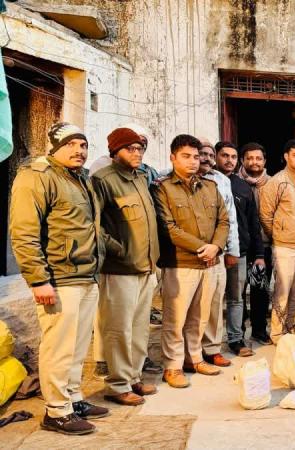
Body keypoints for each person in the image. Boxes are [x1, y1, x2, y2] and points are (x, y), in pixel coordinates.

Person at [10, 122, 110, 435]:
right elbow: (24, 233)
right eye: (70, 144)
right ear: (54, 146)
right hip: (58, 278)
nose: (79, 151)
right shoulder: (36, 176)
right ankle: (56, 411)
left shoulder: (80, 178)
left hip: (86, 275)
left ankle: (73, 398)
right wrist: (38, 280)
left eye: (83, 145)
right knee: (59, 348)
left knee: (78, 346)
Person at [152, 134, 229, 388]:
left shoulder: (210, 187)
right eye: (186, 156)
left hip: (209, 263)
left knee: (200, 316)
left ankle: (193, 358)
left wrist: (216, 247)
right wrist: (202, 247)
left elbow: (224, 220)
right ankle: (172, 365)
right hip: (180, 263)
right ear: (172, 157)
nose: (193, 161)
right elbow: (168, 227)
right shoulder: (161, 188)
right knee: (175, 319)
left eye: (196, 156)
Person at [91, 128, 160, 407]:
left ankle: (133, 377)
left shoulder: (140, 178)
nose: (137, 153)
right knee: (118, 329)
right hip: (119, 269)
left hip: (145, 266)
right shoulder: (103, 180)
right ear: (115, 151)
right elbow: (94, 225)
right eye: (130, 149)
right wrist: (118, 250)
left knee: (140, 328)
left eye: (139, 148)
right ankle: (117, 385)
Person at [259, 139, 295, 343]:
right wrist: (278, 235)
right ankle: (277, 333)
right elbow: (265, 216)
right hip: (284, 247)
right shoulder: (276, 182)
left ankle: (292, 327)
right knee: (282, 293)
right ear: (286, 157)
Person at [215, 141, 261, 357]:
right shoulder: (207, 181)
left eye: (233, 157)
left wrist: (258, 254)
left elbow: (253, 222)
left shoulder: (243, 187)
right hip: (213, 253)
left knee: (236, 298)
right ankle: (209, 343)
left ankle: (236, 339)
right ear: (216, 156)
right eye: (225, 155)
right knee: (212, 301)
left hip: (239, 252)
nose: (229, 160)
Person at [197, 140, 238, 367]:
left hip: (218, 251)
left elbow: (229, 219)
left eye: (210, 155)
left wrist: (231, 249)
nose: (206, 158)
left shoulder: (221, 180)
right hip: (189, 254)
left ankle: (212, 349)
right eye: (201, 154)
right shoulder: (168, 179)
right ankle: (190, 354)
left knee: (214, 303)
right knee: (191, 307)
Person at [238, 142, 273, 344]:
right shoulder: (234, 182)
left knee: (260, 290)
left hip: (265, 246)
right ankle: (239, 332)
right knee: (238, 292)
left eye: (258, 158)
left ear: (264, 161)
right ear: (242, 160)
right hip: (241, 247)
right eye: (249, 158)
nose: (254, 162)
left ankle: (259, 329)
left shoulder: (273, 183)